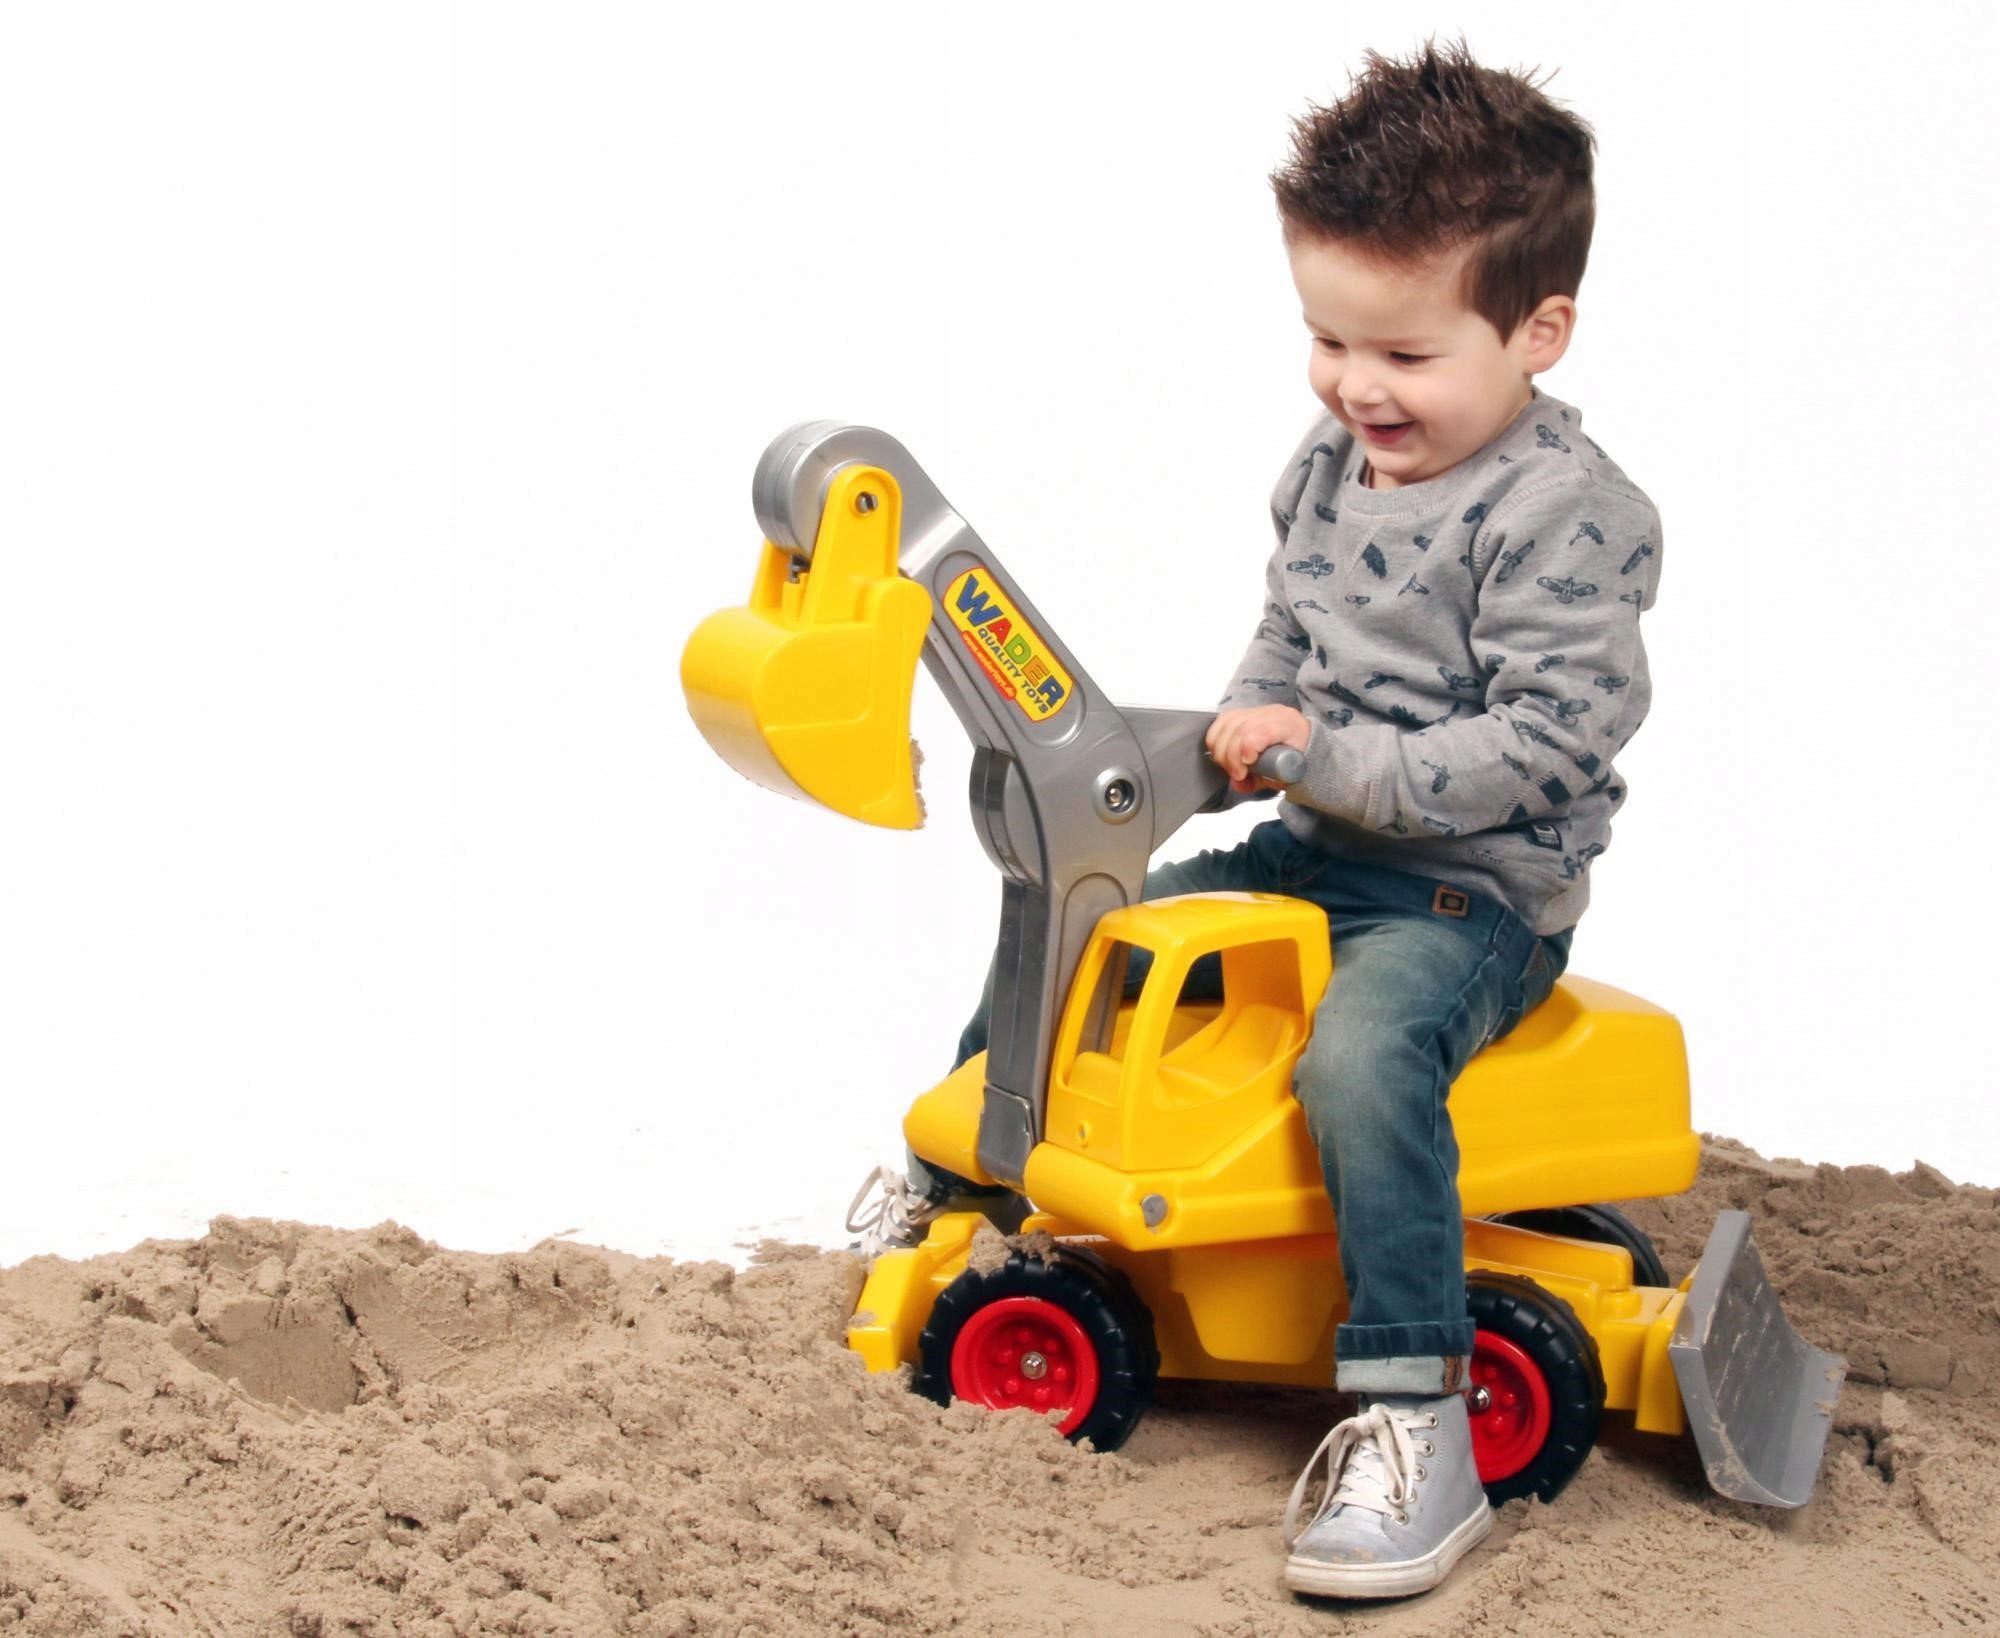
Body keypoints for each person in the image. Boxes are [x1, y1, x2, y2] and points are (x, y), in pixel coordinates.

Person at [846, 39, 1661, 1601]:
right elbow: (1292, 635)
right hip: (1317, 853)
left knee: (1359, 1058)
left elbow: (1553, 743)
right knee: (1094, 921)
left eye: (1404, 351)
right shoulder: (1339, 461)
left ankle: (1416, 1416)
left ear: (1537, 331)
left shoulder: (1567, 515)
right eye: (1326, 338)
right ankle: (962, 1174)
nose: (1358, 385)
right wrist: (1235, 736)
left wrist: (1323, 755)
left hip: (1471, 898)